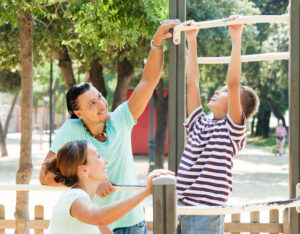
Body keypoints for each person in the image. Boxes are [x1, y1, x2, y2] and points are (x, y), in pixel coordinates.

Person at [39, 20, 181, 233]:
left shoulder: (120, 118)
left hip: (133, 221)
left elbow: (148, 81)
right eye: (92, 104)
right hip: (97, 224)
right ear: (79, 113)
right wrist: (90, 184)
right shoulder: (71, 130)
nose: (101, 104)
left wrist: (157, 43)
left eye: (99, 97)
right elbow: (45, 176)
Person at [176, 16, 260, 234]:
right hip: (182, 206)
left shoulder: (232, 130)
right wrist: (191, 42)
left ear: (236, 105)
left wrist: (236, 38)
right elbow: (192, 81)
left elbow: (233, 84)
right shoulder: (199, 122)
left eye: (223, 93)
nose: (217, 92)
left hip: (206, 210)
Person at [47, 140, 174, 234]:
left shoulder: (84, 204)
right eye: (98, 156)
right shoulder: (73, 197)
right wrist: (145, 192)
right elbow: (99, 218)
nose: (105, 161)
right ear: (83, 170)